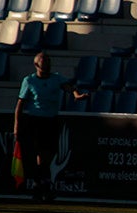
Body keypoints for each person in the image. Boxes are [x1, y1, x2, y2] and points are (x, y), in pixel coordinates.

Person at [13, 51, 89, 201]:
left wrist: (75, 94)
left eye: (48, 60)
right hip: (35, 121)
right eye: (44, 61)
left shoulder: (56, 78)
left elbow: (68, 86)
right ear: (36, 65)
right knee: (40, 155)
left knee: (47, 157)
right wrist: (17, 125)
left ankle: (38, 185)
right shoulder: (29, 81)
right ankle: (43, 187)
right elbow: (20, 104)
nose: (47, 63)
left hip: (51, 121)